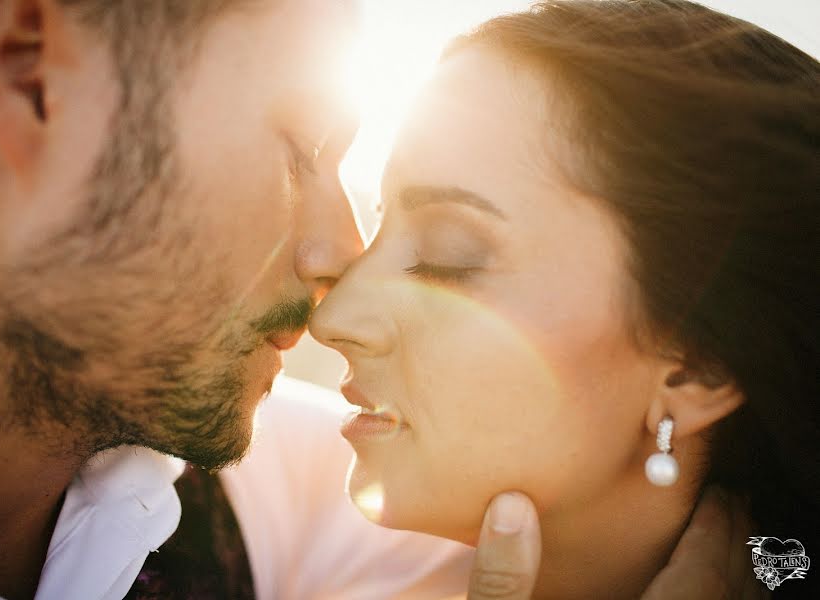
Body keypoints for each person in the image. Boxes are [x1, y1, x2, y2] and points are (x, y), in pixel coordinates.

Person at [0, 0, 766, 598]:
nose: (337, 272)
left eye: (446, 254)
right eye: (300, 153)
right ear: (29, 73)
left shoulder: (297, 501)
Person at [310, 1, 819, 599]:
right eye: (380, 227)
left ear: (693, 367)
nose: (333, 318)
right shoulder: (289, 535)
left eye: (448, 255)